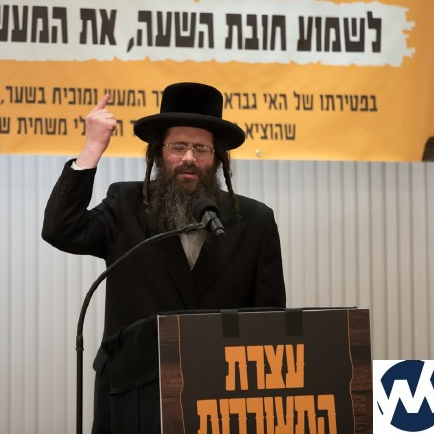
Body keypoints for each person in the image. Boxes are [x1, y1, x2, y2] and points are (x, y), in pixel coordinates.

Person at [42, 82, 286, 433]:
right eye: (178, 146)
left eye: (201, 148)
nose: (189, 158)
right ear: (158, 154)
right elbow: (60, 229)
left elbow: (270, 326)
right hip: (133, 397)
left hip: (219, 402)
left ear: (217, 158)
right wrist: (92, 147)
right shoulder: (125, 205)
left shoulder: (255, 221)